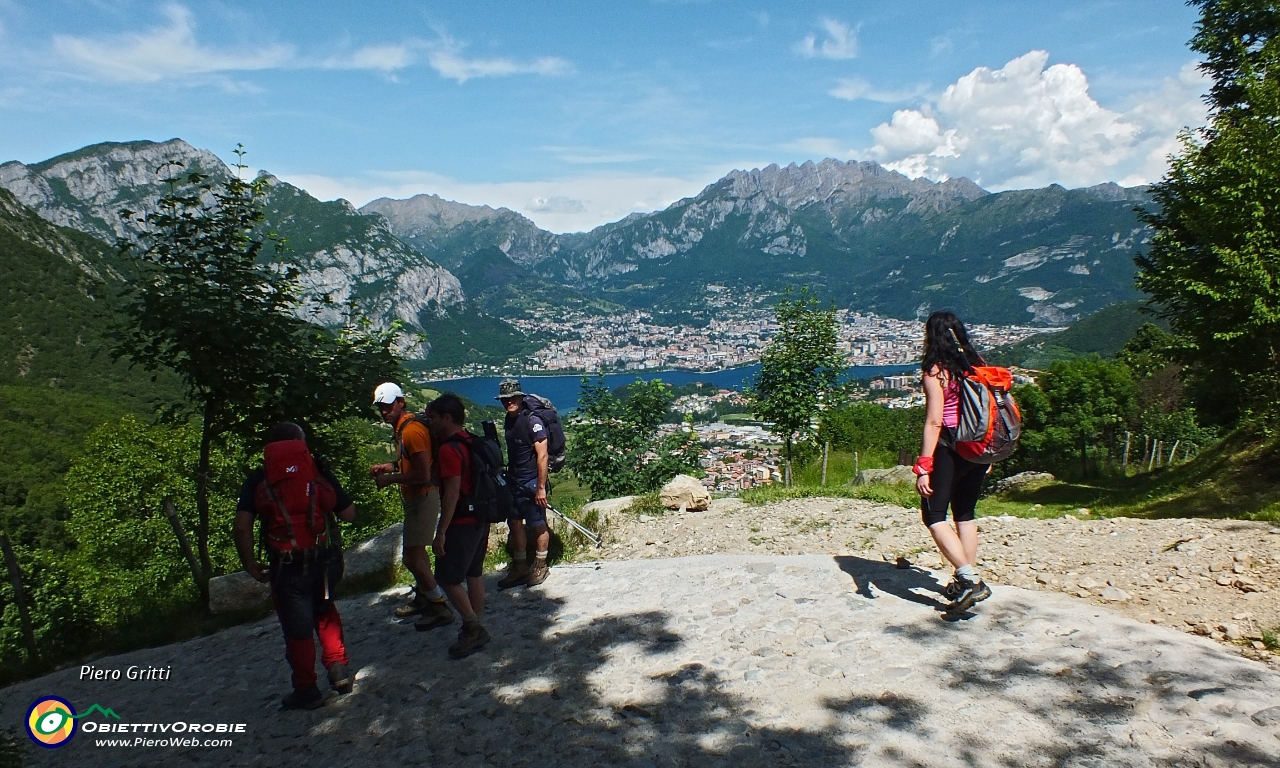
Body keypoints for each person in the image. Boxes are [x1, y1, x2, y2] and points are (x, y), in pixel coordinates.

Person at [233, 422, 355, 710]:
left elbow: (242, 525)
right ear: (301, 444)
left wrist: (249, 563)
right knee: (325, 610)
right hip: (323, 560)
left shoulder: (260, 478)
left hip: (287, 565)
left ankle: (306, 689)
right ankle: (338, 668)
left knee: (297, 627)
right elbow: (349, 514)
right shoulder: (317, 471)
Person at [913, 311, 993, 613]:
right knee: (965, 514)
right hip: (977, 448)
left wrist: (924, 464)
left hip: (949, 447)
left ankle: (969, 579)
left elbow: (934, 421)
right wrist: (987, 453)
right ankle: (966, 580)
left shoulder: (936, 371)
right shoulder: (977, 364)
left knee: (934, 515)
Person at [369, 382, 455, 631]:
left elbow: (422, 472)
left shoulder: (410, 431)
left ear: (400, 402)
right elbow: (412, 463)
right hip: (419, 496)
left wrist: (389, 480)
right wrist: (390, 466)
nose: (384, 411)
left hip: (423, 497)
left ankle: (439, 605)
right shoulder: (405, 429)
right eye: (381, 408)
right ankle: (426, 595)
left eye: (387, 406)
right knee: (418, 555)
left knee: (411, 557)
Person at [426, 393, 493, 658]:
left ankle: (472, 625)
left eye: (433, 418)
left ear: (447, 418)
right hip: (481, 516)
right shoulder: (470, 441)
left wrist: (441, 531)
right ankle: (474, 625)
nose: (429, 423)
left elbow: (452, 492)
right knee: (473, 574)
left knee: (446, 577)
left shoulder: (448, 450)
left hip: (462, 521)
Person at [494, 379, 551, 589]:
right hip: (515, 480)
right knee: (515, 522)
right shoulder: (509, 420)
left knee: (538, 524)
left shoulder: (532, 420)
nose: (509, 402)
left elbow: (542, 455)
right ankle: (520, 566)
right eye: (505, 399)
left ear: (521, 397)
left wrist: (541, 487)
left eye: (513, 398)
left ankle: (541, 564)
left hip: (532, 480)